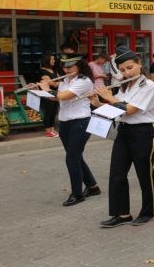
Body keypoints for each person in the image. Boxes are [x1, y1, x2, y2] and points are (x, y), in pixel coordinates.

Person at [90, 46, 154, 228]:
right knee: (117, 174)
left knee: (144, 173)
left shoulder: (149, 85)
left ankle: (148, 211)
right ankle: (121, 213)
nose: (126, 72)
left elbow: (130, 109)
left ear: (140, 64)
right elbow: (117, 109)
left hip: (144, 132)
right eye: (122, 70)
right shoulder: (124, 85)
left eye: (130, 68)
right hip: (124, 131)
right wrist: (97, 102)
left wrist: (108, 96)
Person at [38, 54, 100, 206]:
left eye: (70, 67)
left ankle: (77, 194)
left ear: (79, 66)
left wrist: (47, 88)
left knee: (72, 158)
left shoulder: (84, 81)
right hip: (65, 123)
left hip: (80, 122)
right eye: (64, 67)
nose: (66, 69)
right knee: (76, 157)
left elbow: (64, 96)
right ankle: (92, 186)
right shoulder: (65, 80)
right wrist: (39, 91)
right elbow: (56, 98)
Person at [38, 53, 60, 138]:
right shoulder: (42, 71)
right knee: (49, 112)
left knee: (54, 112)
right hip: (46, 94)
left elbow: (59, 81)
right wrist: (58, 83)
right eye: (52, 59)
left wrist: (57, 83)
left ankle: (52, 129)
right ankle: (48, 131)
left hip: (55, 93)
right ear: (47, 61)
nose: (54, 61)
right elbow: (52, 84)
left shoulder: (53, 70)